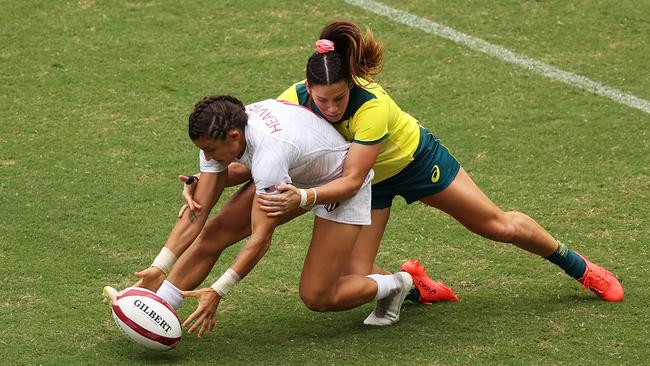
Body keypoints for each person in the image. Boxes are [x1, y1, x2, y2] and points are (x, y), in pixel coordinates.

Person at [181, 20, 623, 303]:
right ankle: (409, 282)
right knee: (347, 281)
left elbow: (353, 177)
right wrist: (214, 176)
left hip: (410, 165)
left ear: (351, 84)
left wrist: (304, 195)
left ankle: (579, 267)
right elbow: (255, 160)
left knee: (495, 226)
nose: (331, 108)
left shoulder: (371, 107)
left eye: (339, 99)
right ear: (308, 89)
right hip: (364, 184)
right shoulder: (294, 99)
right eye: (323, 100)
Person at [105, 95, 417, 337]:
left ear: (234, 136)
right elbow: (197, 211)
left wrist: (218, 290)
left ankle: (396, 284)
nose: (208, 157)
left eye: (212, 150)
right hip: (291, 174)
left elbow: (260, 238)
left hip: (339, 184)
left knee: (317, 295)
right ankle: (162, 307)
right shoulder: (216, 135)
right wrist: (159, 266)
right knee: (215, 233)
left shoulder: (268, 155)